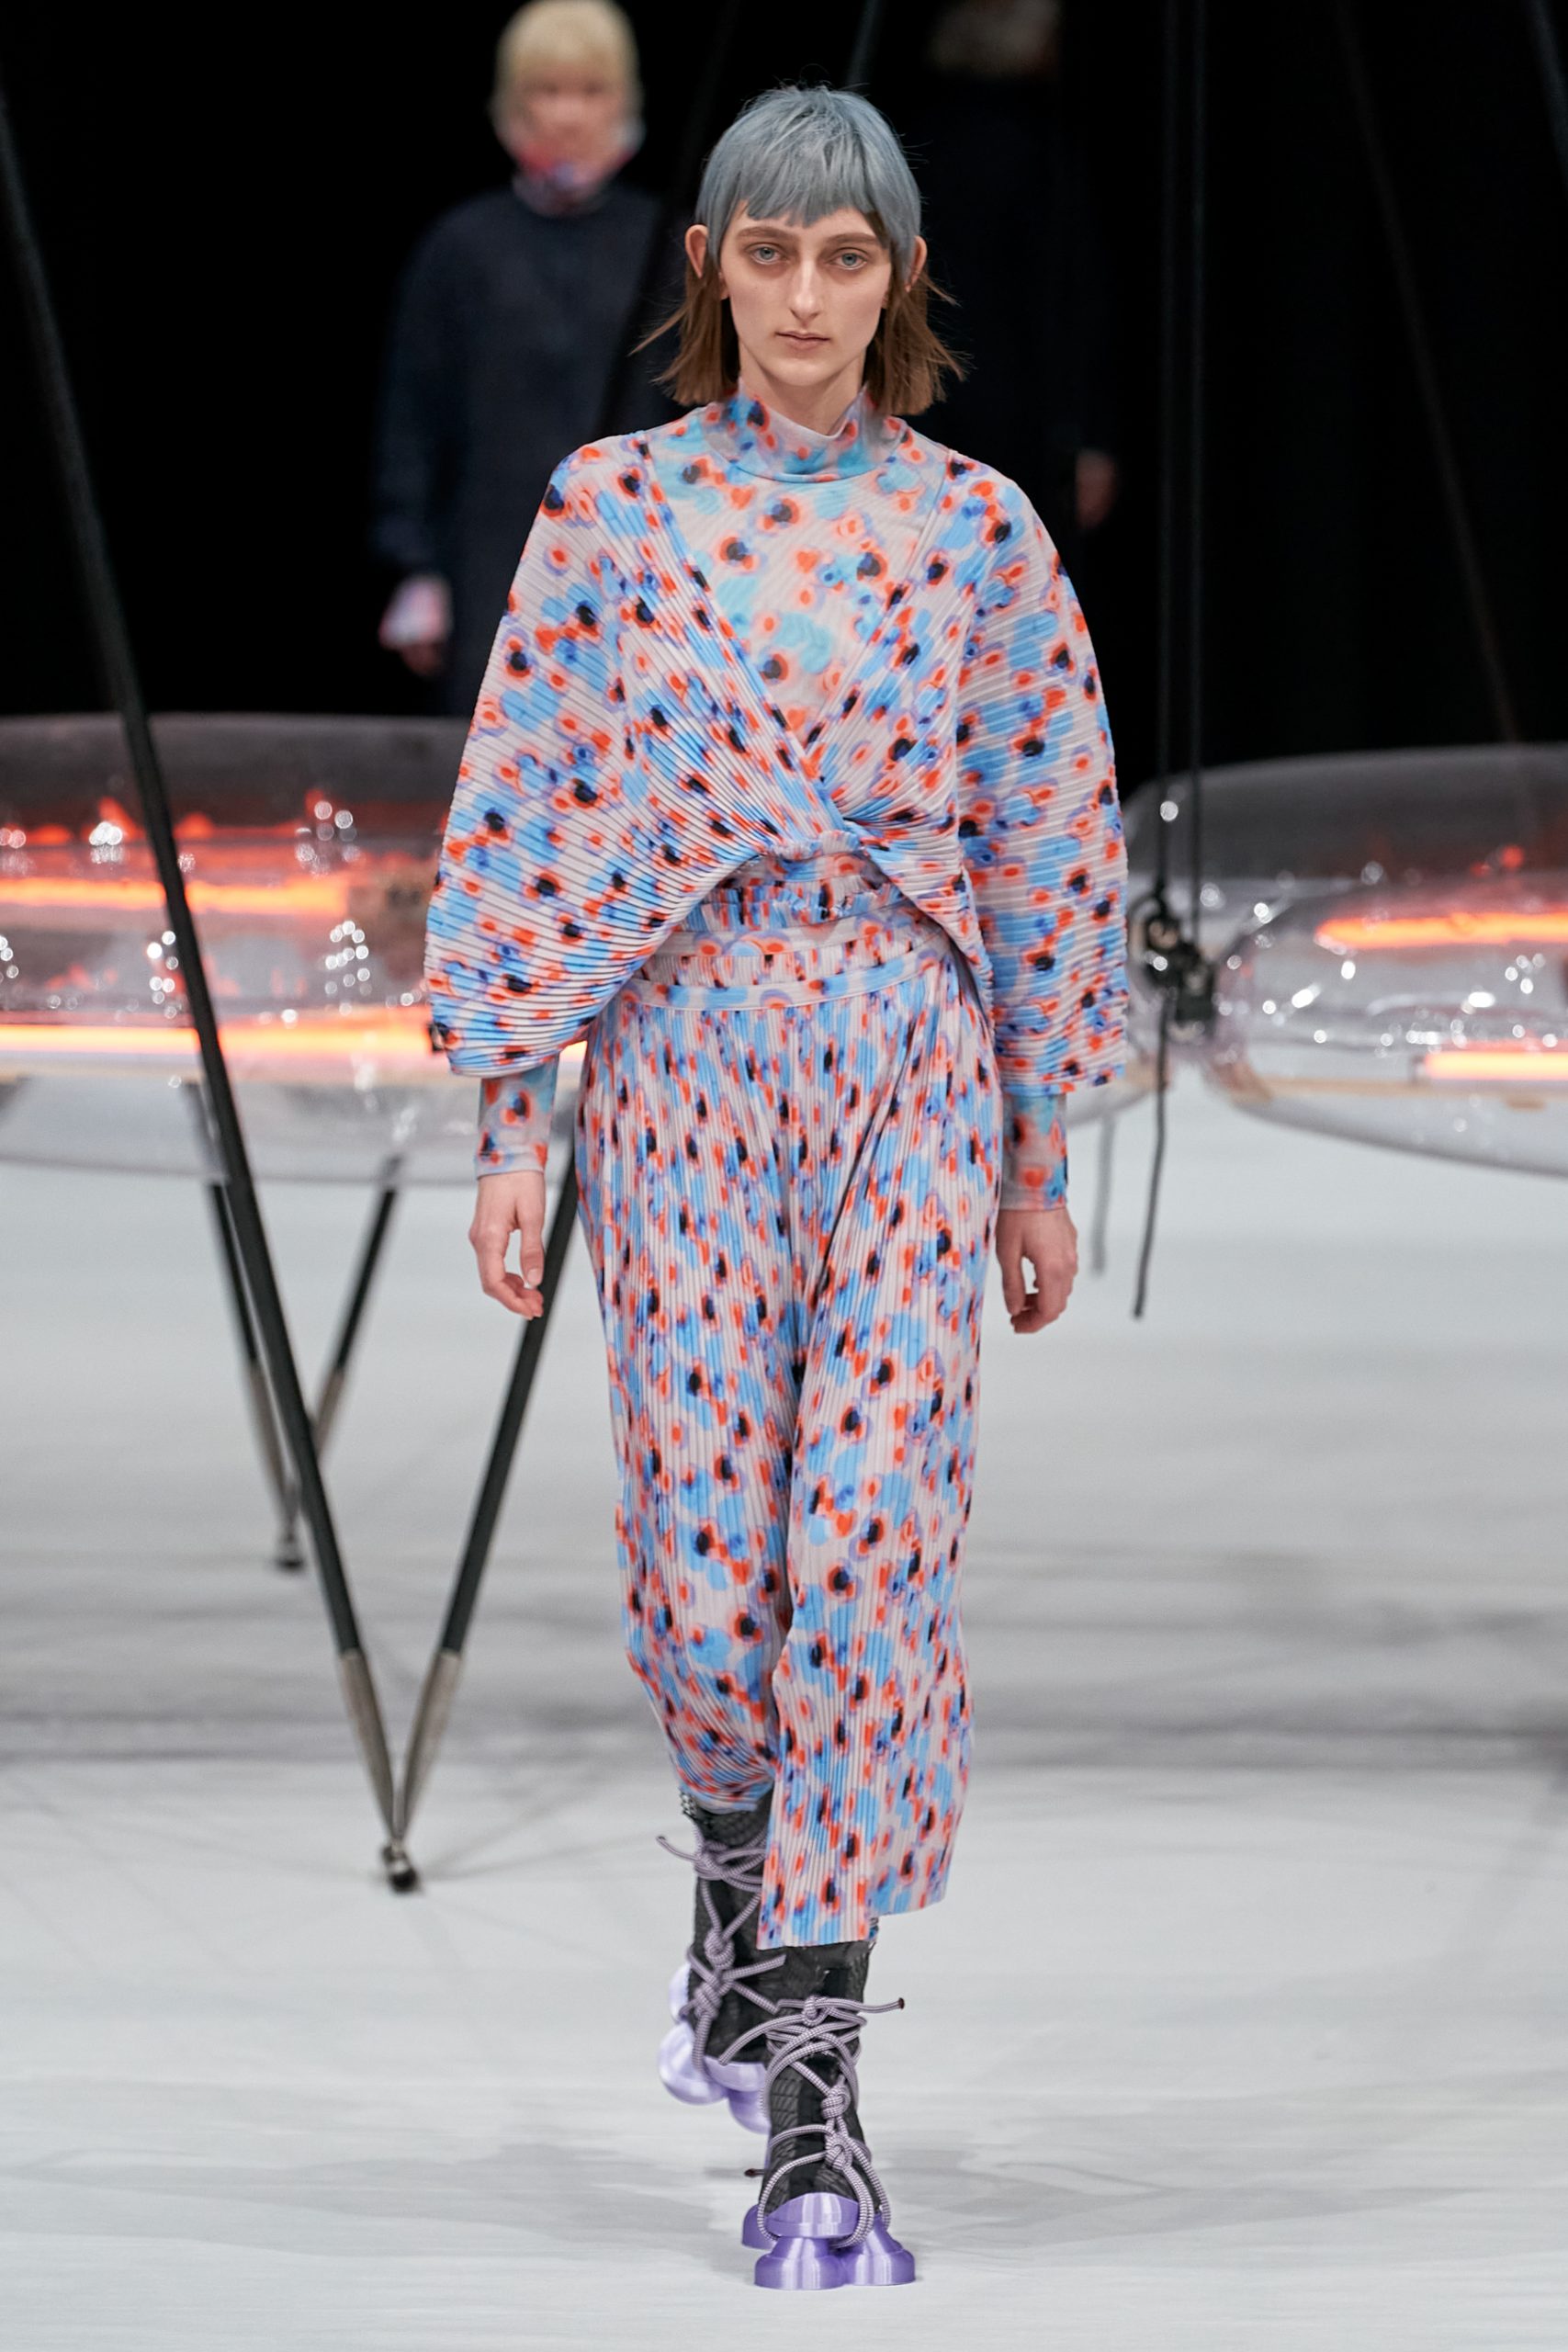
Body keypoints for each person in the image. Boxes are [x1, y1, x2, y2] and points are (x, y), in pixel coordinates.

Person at [423, 83, 1127, 2289]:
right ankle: (737, 1882)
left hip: (909, 1053)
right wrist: (510, 1120)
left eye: (844, 258)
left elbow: (1046, 833)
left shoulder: (976, 532)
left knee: (868, 1551)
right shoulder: (609, 511)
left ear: (897, 276)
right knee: (708, 1561)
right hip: (682, 1052)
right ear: (706, 263)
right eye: (768, 251)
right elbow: (527, 800)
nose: (805, 297)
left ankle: (813, 2107)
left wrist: (1034, 1153)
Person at [373, 0, 672, 711]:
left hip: (637, 560)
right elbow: (413, 413)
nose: (568, 114)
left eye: (590, 91)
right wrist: (415, 567)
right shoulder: (461, 248)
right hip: (493, 562)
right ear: (513, 102)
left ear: (623, 101)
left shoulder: (666, 245)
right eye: (547, 90)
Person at [905, 0, 1119, 554]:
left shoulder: (915, 134)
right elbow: (1072, 297)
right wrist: (1088, 432)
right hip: (1016, 403)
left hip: (921, 392)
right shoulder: (1036, 145)